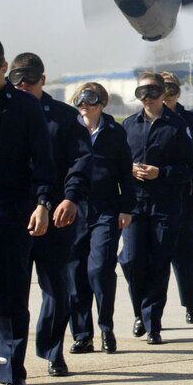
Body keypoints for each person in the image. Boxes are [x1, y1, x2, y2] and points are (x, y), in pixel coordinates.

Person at [0, 36, 56, 385]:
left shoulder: (24, 107)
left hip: (11, 208)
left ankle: (12, 374)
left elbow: (43, 160)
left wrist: (43, 203)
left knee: (10, 298)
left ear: (3, 67)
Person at [6, 53, 90, 378]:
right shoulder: (2, 114)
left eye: (30, 79)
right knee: (13, 293)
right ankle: (13, 364)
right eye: (18, 80)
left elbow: (81, 161)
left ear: (43, 79)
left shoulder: (65, 118)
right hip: (15, 216)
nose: (23, 85)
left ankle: (52, 348)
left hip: (56, 217)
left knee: (57, 291)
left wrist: (71, 199)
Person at [121, 71, 193, 344]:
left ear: (164, 94)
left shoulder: (177, 127)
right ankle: (140, 309)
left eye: (153, 91)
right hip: (135, 204)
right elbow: (116, 164)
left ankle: (153, 323)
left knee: (159, 263)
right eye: (142, 92)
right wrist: (128, 169)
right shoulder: (128, 125)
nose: (147, 97)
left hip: (165, 204)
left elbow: (188, 169)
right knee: (131, 259)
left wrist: (160, 172)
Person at [66, 82, 134, 355]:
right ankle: (82, 334)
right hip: (74, 208)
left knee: (100, 268)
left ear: (101, 104)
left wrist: (127, 207)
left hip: (106, 207)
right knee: (76, 271)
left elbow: (125, 173)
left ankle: (106, 326)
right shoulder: (70, 131)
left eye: (90, 101)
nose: (85, 105)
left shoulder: (115, 132)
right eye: (81, 101)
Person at [158, 71, 193, 325]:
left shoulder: (191, 122)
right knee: (143, 259)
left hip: (184, 198)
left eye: (172, 89)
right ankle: (146, 312)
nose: (167, 95)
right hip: (151, 201)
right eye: (162, 89)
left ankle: (190, 302)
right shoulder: (139, 122)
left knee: (183, 255)